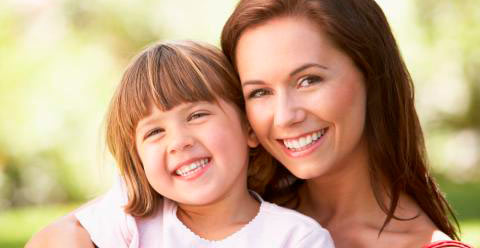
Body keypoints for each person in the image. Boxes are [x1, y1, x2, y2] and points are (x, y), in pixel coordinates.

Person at [26, 41, 335, 247]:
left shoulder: (296, 238)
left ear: (248, 128)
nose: (178, 142)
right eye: (154, 133)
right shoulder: (130, 220)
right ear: (138, 159)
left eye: (198, 115)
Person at [220, 0, 472, 247]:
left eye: (308, 80)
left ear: (371, 77)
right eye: (260, 92)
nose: (284, 116)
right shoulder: (226, 223)